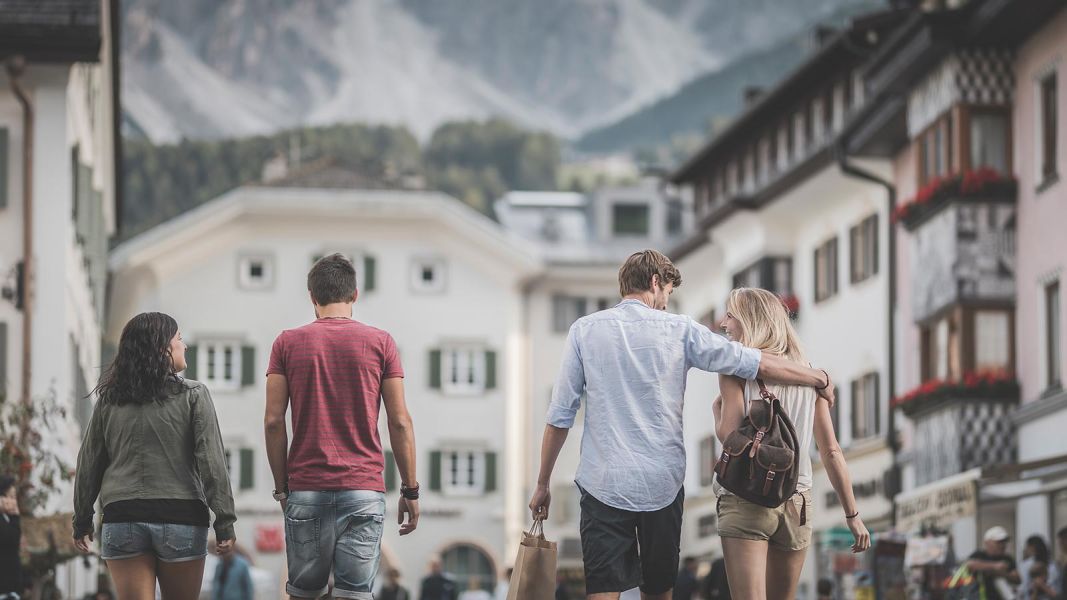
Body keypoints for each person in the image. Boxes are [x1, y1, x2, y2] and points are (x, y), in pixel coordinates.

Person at [529, 251, 838, 600]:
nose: (665, 305)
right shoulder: (680, 329)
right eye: (668, 294)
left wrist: (543, 483)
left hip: (603, 483)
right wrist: (817, 376)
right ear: (655, 283)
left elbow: (560, 416)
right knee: (659, 590)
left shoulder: (584, 331)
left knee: (603, 589)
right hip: (663, 483)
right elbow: (751, 361)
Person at [265, 253, 419, 600]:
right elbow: (399, 421)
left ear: (312, 297)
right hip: (363, 491)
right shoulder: (382, 343)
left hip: (306, 489)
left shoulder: (286, 343)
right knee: (354, 595)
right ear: (355, 295)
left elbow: (274, 422)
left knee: (304, 595)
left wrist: (282, 489)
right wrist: (410, 490)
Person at [713, 288, 870, 600]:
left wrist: (716, 412)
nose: (722, 323)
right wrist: (853, 515)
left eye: (730, 315)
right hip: (797, 500)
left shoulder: (734, 369)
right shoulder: (808, 374)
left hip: (745, 496)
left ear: (750, 319)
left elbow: (731, 437)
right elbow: (831, 450)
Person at [72, 312, 236, 600]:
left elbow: (89, 464)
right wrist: (224, 521)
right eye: (179, 339)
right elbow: (211, 462)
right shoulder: (193, 395)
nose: (184, 346)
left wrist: (82, 520)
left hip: (123, 517)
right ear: (164, 349)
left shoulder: (110, 400)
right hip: (181, 517)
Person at [965, 526, 1020, 600]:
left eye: (1004, 542)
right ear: (987, 542)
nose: (1002, 545)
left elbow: (1017, 579)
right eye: (998, 542)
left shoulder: (1008, 559)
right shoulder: (979, 555)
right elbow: (969, 565)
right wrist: (994, 566)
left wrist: (1003, 574)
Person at [0, 476, 21, 600]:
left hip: (9, 589)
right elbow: (12, 539)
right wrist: (15, 517)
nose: (14, 501)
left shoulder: (6, 518)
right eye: (11, 497)